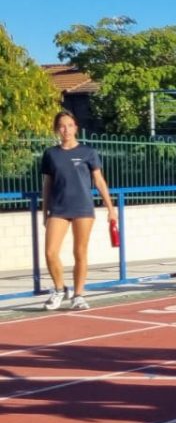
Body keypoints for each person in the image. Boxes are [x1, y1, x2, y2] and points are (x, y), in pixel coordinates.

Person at [40, 111, 117, 311]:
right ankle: (59, 288)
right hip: (58, 208)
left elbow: (99, 181)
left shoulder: (88, 152)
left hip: (83, 207)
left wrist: (111, 208)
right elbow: (47, 184)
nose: (66, 129)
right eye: (62, 126)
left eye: (70, 125)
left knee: (80, 252)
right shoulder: (51, 154)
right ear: (57, 129)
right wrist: (45, 210)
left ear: (76, 128)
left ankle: (79, 294)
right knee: (50, 252)